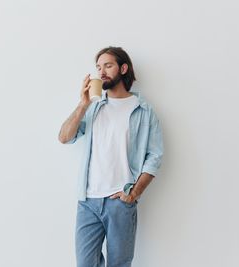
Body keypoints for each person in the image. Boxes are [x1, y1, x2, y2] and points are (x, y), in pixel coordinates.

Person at [58, 46, 163, 267]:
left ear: (123, 68)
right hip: (88, 201)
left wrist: (133, 193)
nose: (101, 72)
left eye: (108, 65)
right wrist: (83, 104)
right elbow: (65, 137)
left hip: (120, 202)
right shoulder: (94, 109)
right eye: (98, 67)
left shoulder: (143, 110)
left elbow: (154, 156)